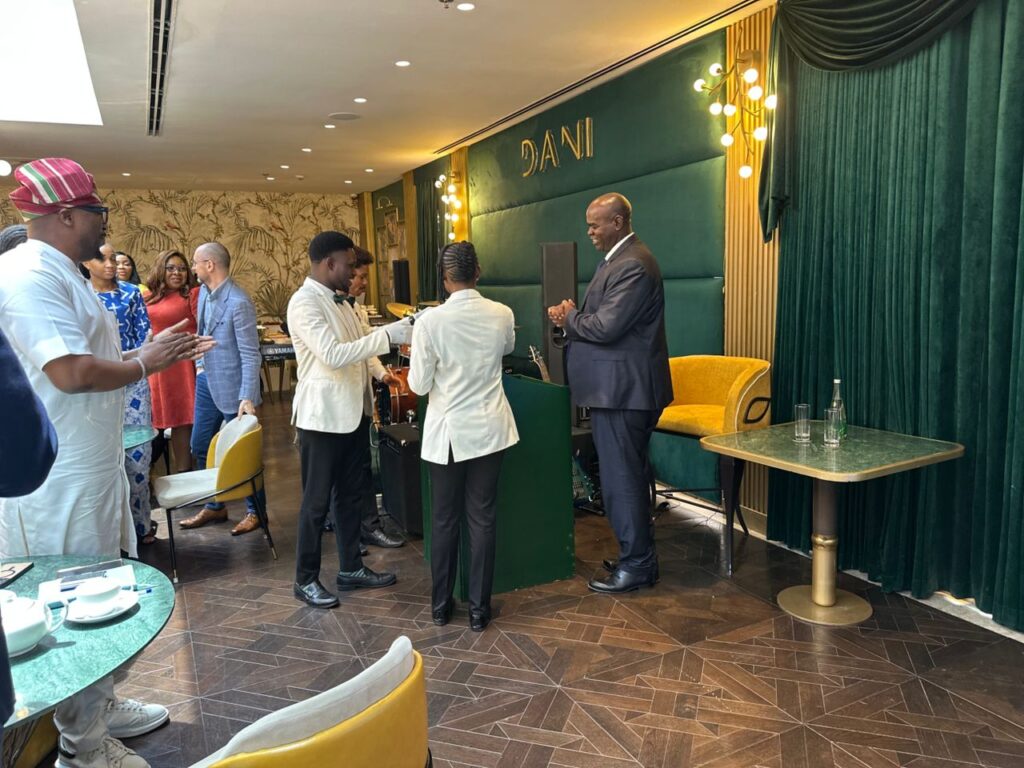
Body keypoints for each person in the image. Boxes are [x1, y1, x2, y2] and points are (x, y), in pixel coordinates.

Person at [0, 157, 213, 768]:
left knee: (100, 591)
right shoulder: (27, 275)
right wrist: (147, 362)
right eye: (99, 211)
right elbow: (70, 372)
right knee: (71, 609)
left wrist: (147, 350)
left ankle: (100, 706)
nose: (104, 223)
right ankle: (84, 749)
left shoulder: (61, 271)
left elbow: (90, 355)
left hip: (89, 466)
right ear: (66, 214)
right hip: (57, 480)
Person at [548, 193, 672, 594]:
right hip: (617, 393)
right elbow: (602, 322)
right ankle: (638, 557)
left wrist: (570, 316)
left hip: (624, 394)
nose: (589, 231)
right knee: (624, 477)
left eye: (595, 224)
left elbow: (606, 327)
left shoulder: (633, 264)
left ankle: (638, 565)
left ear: (618, 222)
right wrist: (572, 319)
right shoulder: (617, 261)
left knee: (623, 481)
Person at [286, 231, 412, 608]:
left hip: (353, 413)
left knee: (349, 497)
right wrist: (389, 335)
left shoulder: (344, 302)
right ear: (330, 263)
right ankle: (305, 579)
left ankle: (351, 569)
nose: (354, 271)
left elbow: (362, 346)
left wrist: (381, 372)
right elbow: (334, 354)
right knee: (315, 503)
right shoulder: (304, 303)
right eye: (350, 264)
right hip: (322, 419)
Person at [408, 241, 519, 632]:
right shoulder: (502, 313)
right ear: (479, 272)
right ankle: (478, 611)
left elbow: (419, 385)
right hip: (490, 428)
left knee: (444, 520)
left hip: (450, 434)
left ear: (444, 278)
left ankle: (441, 607)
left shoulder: (430, 322)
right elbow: (507, 347)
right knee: (482, 519)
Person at [181, 242, 264, 535]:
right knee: (200, 444)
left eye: (195, 262)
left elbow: (251, 354)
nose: (192, 267)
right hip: (206, 380)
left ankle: (256, 512)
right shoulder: (204, 292)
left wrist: (247, 396)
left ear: (210, 265)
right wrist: (198, 358)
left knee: (243, 453)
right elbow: (204, 332)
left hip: (233, 388)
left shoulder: (238, 302)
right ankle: (215, 506)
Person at [332, 246, 405, 549]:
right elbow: (345, 352)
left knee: (361, 467)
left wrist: (382, 374)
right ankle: (351, 533)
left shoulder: (356, 308)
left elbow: (366, 348)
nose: (363, 283)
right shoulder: (324, 306)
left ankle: (367, 527)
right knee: (342, 473)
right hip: (338, 404)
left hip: (359, 401)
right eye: (360, 276)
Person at [83, 244, 156, 544]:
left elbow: (145, 337)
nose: (110, 264)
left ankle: (141, 526)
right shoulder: (80, 295)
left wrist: (130, 365)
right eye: (101, 258)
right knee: (103, 461)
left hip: (133, 382)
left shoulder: (131, 293)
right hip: (96, 387)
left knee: (138, 460)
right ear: (86, 263)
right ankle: (113, 536)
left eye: (113, 258)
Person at [144, 250, 198, 473]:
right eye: (171, 268)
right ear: (161, 270)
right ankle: (145, 474)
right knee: (155, 422)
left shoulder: (192, 294)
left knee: (182, 421)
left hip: (183, 365)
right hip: (157, 366)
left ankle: (184, 472)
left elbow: (203, 327)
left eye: (182, 269)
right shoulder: (147, 296)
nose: (177, 273)